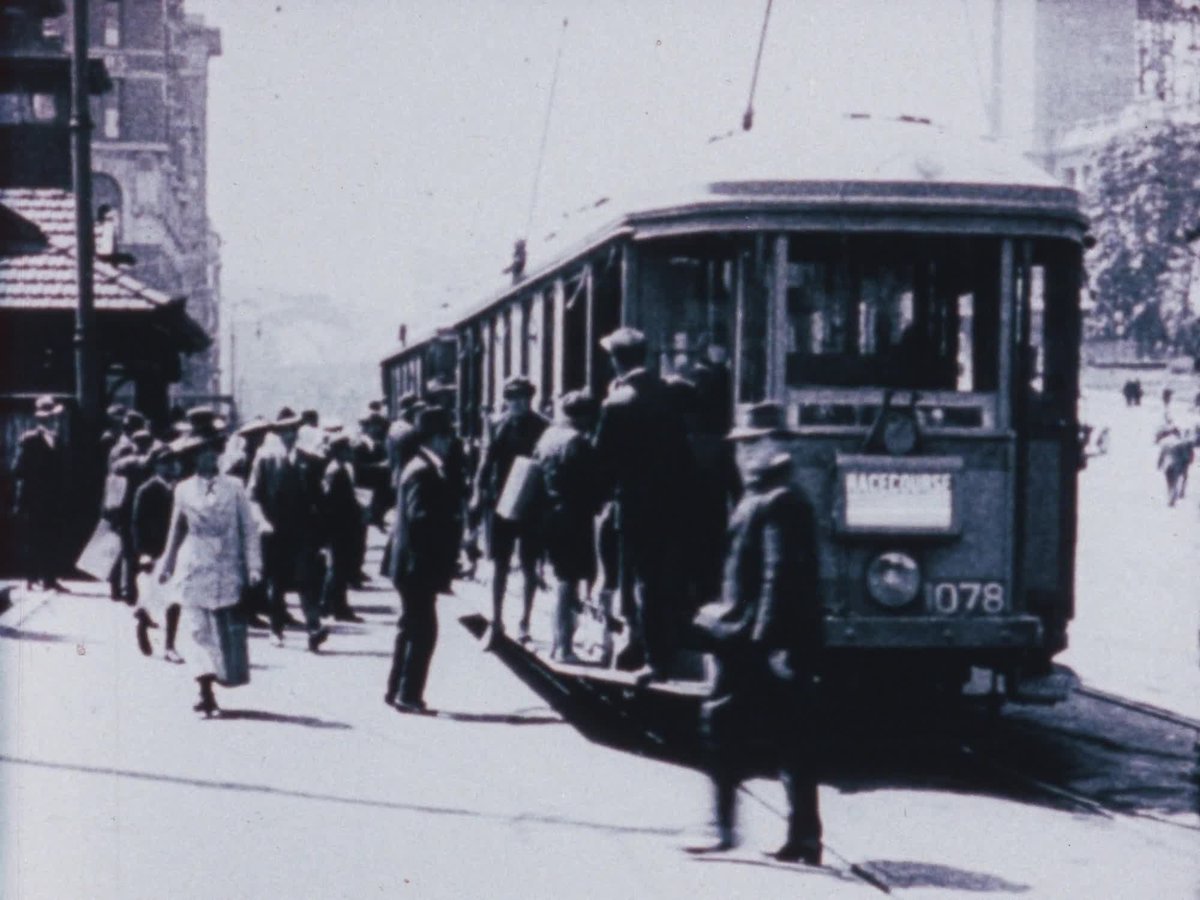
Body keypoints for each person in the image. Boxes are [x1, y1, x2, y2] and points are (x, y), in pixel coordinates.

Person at [687, 401, 823, 864]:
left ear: (776, 446)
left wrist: (770, 643)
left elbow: (778, 575)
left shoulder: (779, 498)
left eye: (752, 445)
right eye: (740, 446)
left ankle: (724, 830)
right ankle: (803, 837)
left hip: (755, 641)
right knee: (791, 737)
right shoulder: (766, 494)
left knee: (724, 726)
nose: (742, 454)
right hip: (758, 637)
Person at [593, 326, 694, 679]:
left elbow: (601, 459)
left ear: (615, 362)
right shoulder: (670, 394)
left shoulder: (616, 403)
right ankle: (665, 646)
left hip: (635, 506)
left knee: (642, 580)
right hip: (676, 501)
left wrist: (601, 501)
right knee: (665, 577)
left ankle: (652, 656)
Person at [158, 427, 262, 717]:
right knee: (196, 629)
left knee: (220, 632)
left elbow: (248, 530)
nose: (208, 458)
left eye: (212, 452)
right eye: (201, 453)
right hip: (193, 562)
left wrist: (254, 565)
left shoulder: (235, 488)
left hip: (226, 565)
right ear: (193, 459)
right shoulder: (183, 489)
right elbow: (176, 529)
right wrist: (167, 564)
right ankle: (204, 689)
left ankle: (214, 679)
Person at [385, 407, 460, 712]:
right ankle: (408, 694)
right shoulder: (423, 471)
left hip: (409, 565)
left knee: (409, 628)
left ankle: (396, 691)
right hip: (417, 566)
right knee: (423, 631)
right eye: (446, 436)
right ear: (435, 438)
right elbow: (420, 518)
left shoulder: (416, 466)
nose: (449, 443)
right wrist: (450, 523)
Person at [472, 376, 549, 648]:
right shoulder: (497, 424)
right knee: (500, 564)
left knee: (529, 564)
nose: (516, 403)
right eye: (511, 397)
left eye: (522, 397)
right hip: (500, 502)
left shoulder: (543, 426)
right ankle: (496, 622)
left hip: (530, 503)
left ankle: (525, 622)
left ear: (530, 399)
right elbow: (486, 460)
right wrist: (477, 494)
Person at [247, 407, 330, 652]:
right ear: (277, 433)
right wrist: (262, 521)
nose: (289, 435)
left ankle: (313, 628)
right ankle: (276, 629)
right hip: (274, 531)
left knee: (307, 580)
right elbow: (253, 496)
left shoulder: (311, 461)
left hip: (303, 531)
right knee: (276, 582)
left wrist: (322, 536)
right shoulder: (265, 460)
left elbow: (320, 501)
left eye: (293, 430)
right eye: (284, 431)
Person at [532, 390, 603, 663]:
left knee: (562, 578)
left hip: (548, 514)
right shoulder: (577, 442)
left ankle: (558, 643)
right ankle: (563, 647)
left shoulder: (549, 436)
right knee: (567, 581)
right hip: (572, 516)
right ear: (584, 416)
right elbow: (589, 482)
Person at [132, 445, 184, 662]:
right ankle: (143, 621)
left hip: (175, 551)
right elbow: (136, 524)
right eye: (164, 462)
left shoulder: (180, 490)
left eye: (172, 462)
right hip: (153, 551)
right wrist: (142, 552)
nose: (169, 467)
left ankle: (169, 646)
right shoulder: (146, 490)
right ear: (156, 465)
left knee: (175, 598)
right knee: (151, 596)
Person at [13, 395, 67, 592]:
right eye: (49, 417)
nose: (53, 420)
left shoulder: (57, 440)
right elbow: (18, 469)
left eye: (53, 417)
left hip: (53, 500)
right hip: (34, 499)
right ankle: (31, 577)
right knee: (33, 539)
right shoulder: (29, 440)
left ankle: (50, 578)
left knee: (52, 537)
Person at [321, 432, 364, 622]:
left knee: (339, 567)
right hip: (340, 526)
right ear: (339, 450)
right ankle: (336, 606)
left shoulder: (338, 469)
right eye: (347, 449)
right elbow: (333, 501)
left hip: (341, 525)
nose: (351, 452)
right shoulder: (336, 471)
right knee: (338, 567)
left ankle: (332, 604)